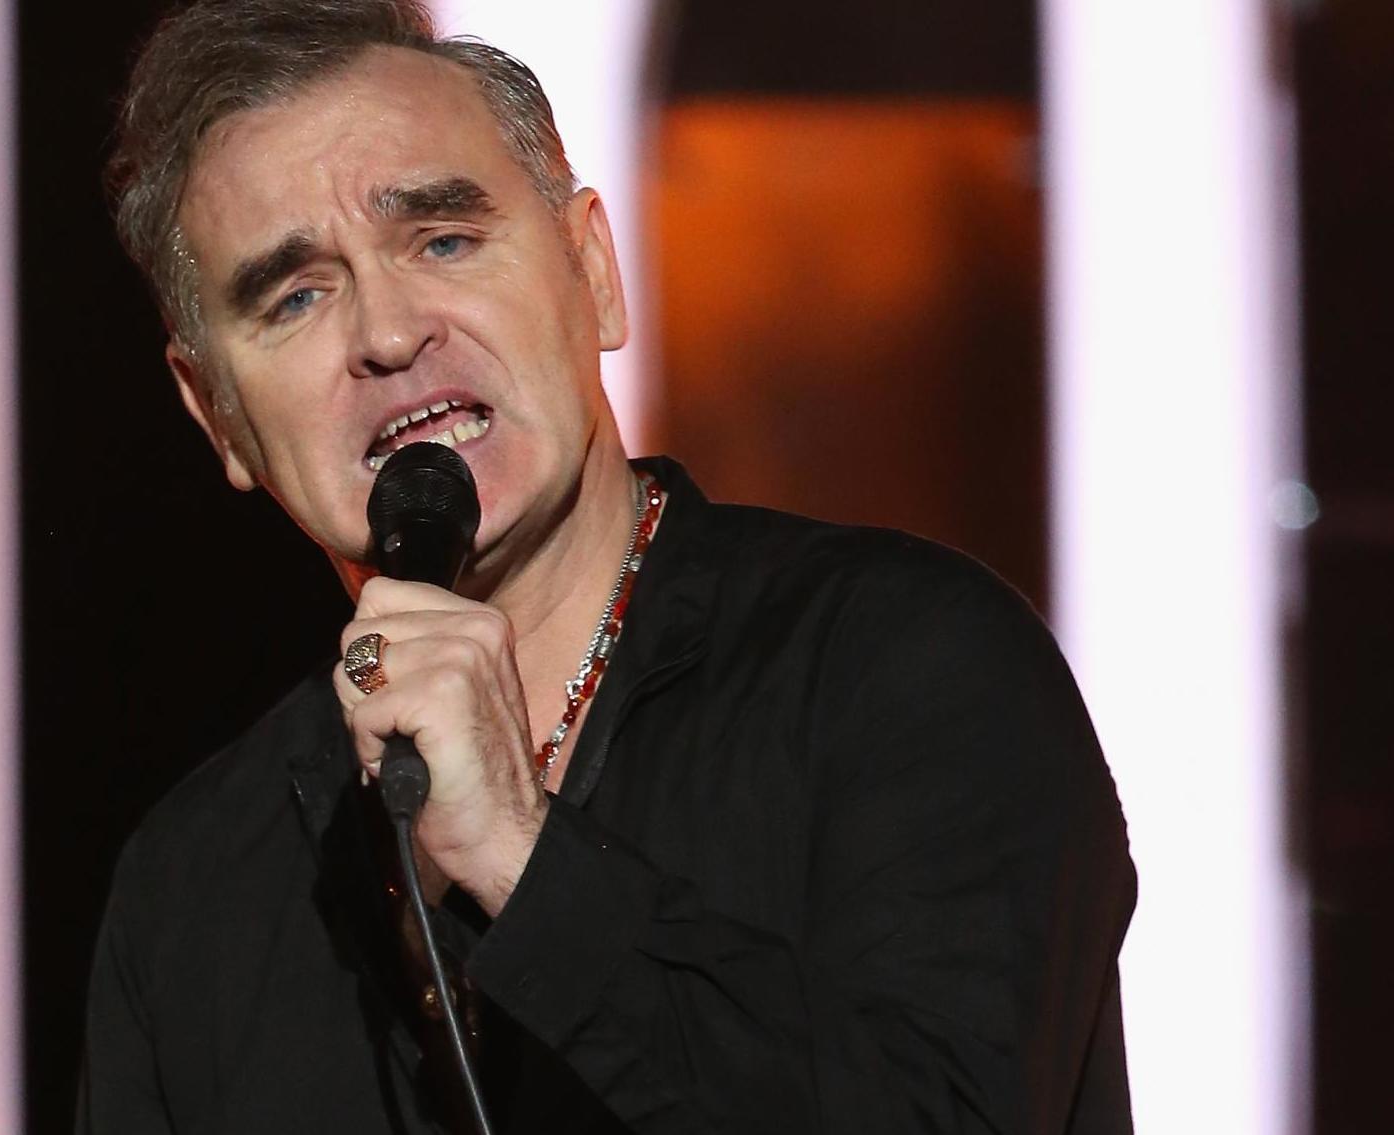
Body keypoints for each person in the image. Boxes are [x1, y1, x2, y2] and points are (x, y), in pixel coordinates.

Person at [78, 2, 1137, 1132]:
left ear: (592, 272)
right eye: (294, 297)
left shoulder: (907, 670)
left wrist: (524, 860)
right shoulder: (197, 883)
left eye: (442, 239)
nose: (386, 333)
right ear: (218, 417)